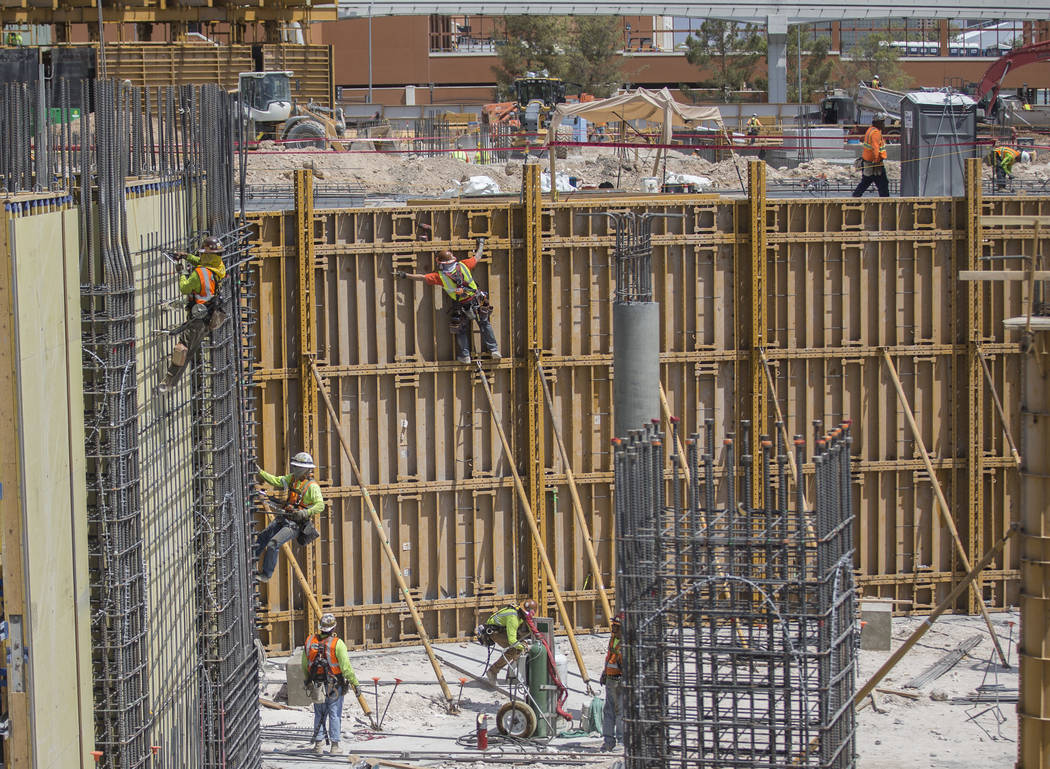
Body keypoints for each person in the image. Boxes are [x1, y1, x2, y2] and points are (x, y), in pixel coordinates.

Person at [396, 239, 500, 364]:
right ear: (453, 260)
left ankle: (465, 356)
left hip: (461, 306)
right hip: (477, 300)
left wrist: (405, 275)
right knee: (484, 324)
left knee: (461, 329)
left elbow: (422, 278)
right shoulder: (464, 265)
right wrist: (481, 244)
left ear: (441, 263)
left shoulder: (440, 276)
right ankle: (494, 350)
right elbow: (477, 256)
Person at [158, 235, 227, 392]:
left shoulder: (200, 274)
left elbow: (185, 288)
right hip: (209, 316)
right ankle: (170, 382)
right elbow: (203, 264)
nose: (201, 255)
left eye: (203, 253)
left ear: (207, 255)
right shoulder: (218, 266)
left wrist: (181, 272)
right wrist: (187, 257)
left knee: (182, 349)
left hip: (198, 319)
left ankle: (168, 382)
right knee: (188, 350)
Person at [254, 452, 324, 582]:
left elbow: (320, 505)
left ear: (306, 470)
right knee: (263, 537)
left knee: (273, 544)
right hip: (284, 517)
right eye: (295, 467)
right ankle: (251, 561)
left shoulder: (312, 487)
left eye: (298, 467)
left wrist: (305, 512)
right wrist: (260, 472)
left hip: (294, 525)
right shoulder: (292, 479)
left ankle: (266, 574)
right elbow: (275, 480)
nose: (295, 469)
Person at [302, 612, 361, 755]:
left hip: (317, 685)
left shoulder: (309, 641)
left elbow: (304, 664)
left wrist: (307, 681)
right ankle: (334, 747)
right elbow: (346, 667)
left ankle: (318, 746)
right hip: (334, 686)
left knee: (319, 714)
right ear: (333, 628)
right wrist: (355, 683)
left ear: (320, 627)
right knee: (334, 714)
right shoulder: (337, 644)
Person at [478, 599, 538, 684]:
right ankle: (493, 671)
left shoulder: (519, 612)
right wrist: (524, 647)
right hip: (494, 632)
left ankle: (511, 674)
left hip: (501, 630)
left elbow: (529, 626)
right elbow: (512, 641)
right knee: (514, 649)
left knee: (519, 647)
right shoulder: (513, 618)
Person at [600, 611, 625, 752]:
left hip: (616, 679)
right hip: (614, 679)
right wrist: (604, 672)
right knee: (614, 711)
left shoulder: (620, 640)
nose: (613, 628)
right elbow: (611, 656)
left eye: (616, 626)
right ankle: (613, 741)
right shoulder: (617, 639)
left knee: (615, 711)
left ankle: (614, 741)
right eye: (613, 625)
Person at [852, 113, 889, 198]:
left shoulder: (870, 130)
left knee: (867, 182)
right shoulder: (876, 133)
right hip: (875, 163)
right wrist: (876, 162)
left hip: (869, 162)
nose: (884, 125)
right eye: (883, 122)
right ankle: (886, 203)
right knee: (882, 184)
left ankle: (855, 197)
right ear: (878, 123)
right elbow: (875, 149)